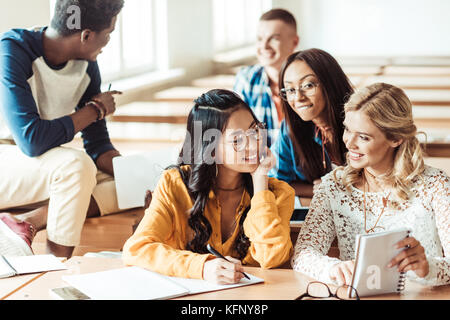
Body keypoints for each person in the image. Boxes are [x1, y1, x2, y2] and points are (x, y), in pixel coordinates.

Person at [122, 89, 294, 284]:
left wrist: (260, 181)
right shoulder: (175, 183)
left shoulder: (278, 193)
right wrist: (202, 267)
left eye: (254, 130)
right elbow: (137, 249)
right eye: (237, 140)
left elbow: (272, 258)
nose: (254, 144)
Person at [0, 0, 125, 258]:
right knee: (76, 166)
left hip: (38, 168)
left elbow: (98, 145)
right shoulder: (13, 49)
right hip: (7, 160)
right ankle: (53, 266)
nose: (108, 42)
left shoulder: (87, 65)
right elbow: (31, 139)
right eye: (109, 34)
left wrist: (137, 174)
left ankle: (29, 220)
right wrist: (94, 110)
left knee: (124, 186)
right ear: (86, 35)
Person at [292, 83, 449, 287]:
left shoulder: (435, 185)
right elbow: (303, 254)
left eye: (364, 137)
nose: (349, 143)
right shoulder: (334, 185)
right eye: (348, 129)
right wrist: (332, 268)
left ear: (395, 138)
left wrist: (428, 267)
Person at [269, 48, 354, 198]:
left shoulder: (362, 122)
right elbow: (275, 182)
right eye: (290, 89)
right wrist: (319, 190)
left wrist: (339, 186)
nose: (298, 97)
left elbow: (384, 181)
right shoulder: (290, 129)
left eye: (308, 85)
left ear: (330, 83)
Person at [233, 8, 299, 146]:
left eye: (274, 38)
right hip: (260, 164)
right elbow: (238, 134)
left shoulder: (310, 80)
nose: (264, 46)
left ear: (294, 42)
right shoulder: (246, 79)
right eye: (259, 39)